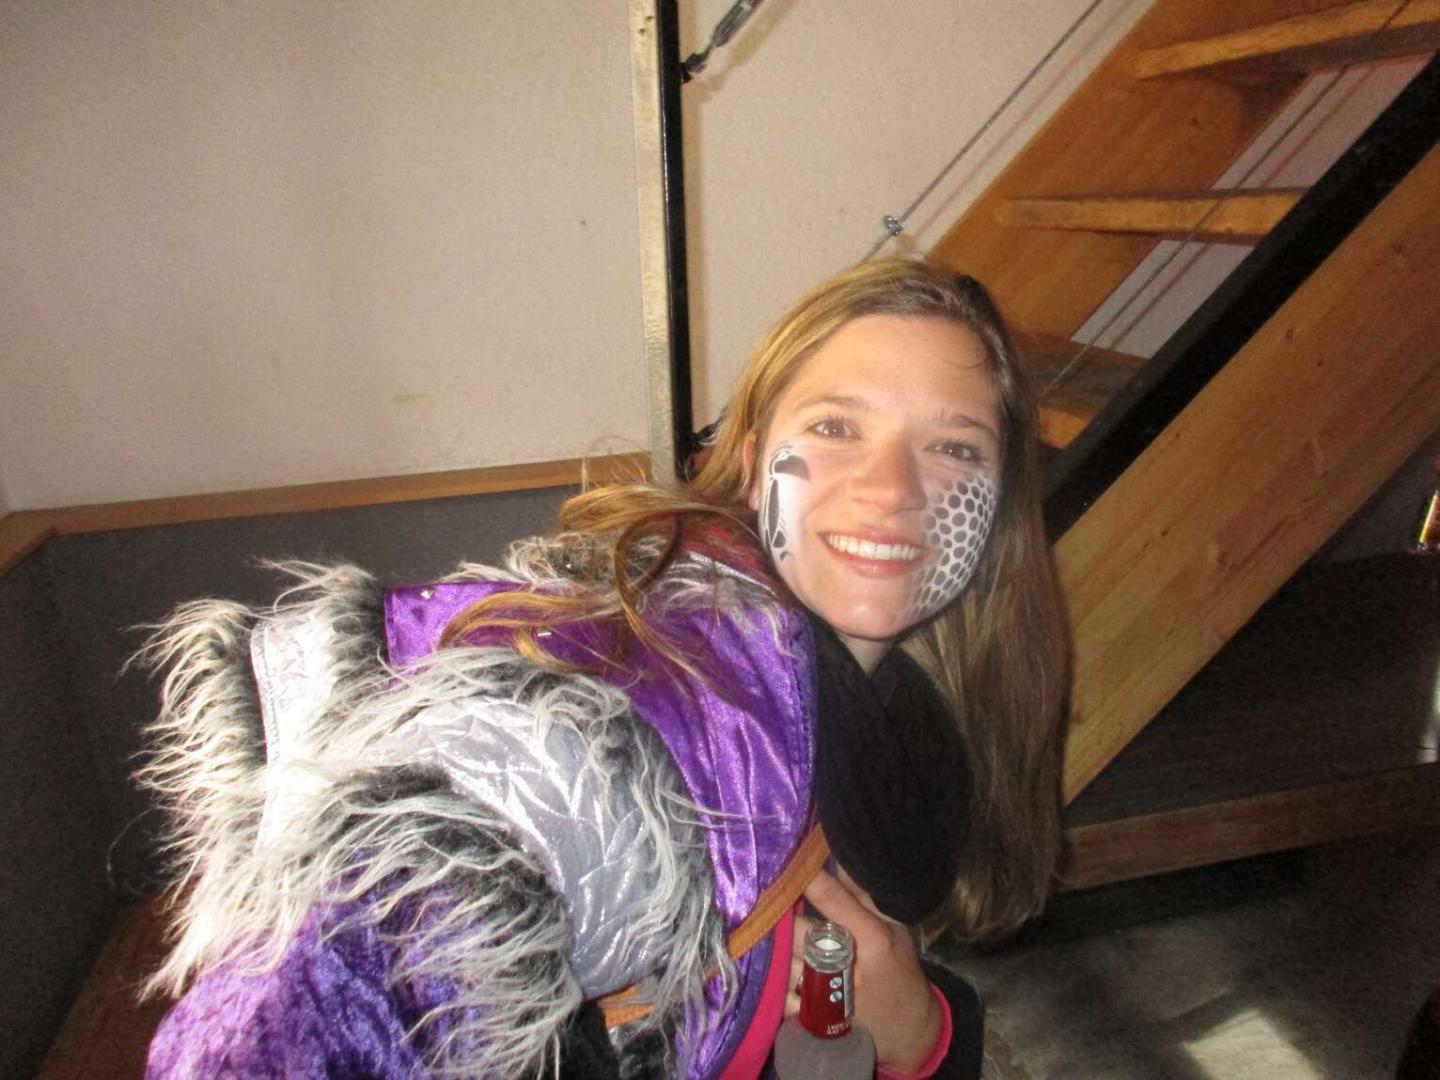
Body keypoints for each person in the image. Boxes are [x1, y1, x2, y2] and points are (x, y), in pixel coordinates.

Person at [138, 258, 1067, 1078]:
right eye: (835, 426)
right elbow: (306, 1012)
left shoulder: (906, 734)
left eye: (954, 447)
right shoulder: (638, 720)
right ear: (752, 467)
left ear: (997, 508)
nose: (894, 489)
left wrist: (920, 1033)